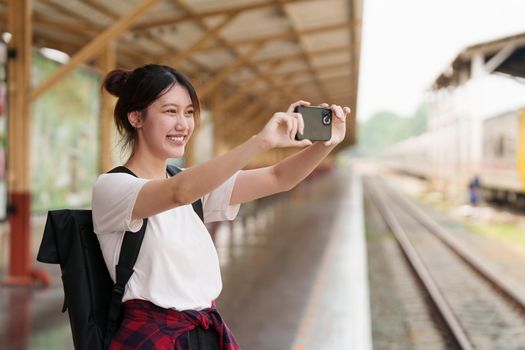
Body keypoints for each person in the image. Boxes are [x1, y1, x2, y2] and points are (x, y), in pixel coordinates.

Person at [91, 64, 350, 349]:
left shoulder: (188, 182)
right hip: (153, 339)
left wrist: (327, 144)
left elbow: (279, 178)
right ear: (136, 117)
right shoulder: (113, 188)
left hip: (205, 333)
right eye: (170, 111)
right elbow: (179, 193)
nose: (183, 124)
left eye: (189, 112)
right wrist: (261, 141)